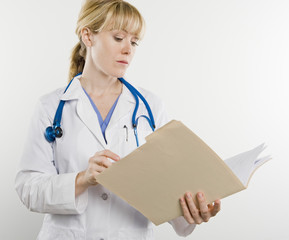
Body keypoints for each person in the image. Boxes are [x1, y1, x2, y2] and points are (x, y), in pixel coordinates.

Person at [15, 0, 221, 239]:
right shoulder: (50, 107)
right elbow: (28, 188)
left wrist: (193, 210)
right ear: (88, 36)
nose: (128, 49)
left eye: (134, 42)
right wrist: (82, 179)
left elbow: (168, 186)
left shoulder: (150, 107)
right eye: (118, 38)